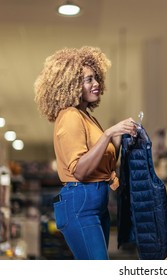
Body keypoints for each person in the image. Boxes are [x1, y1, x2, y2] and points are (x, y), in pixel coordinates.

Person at [34, 46, 138, 260]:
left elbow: (103, 163)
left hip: (95, 201)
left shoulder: (87, 117)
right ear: (71, 85)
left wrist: (119, 137)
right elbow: (80, 170)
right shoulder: (70, 116)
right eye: (88, 80)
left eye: (96, 78)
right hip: (80, 202)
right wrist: (108, 134)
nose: (96, 84)